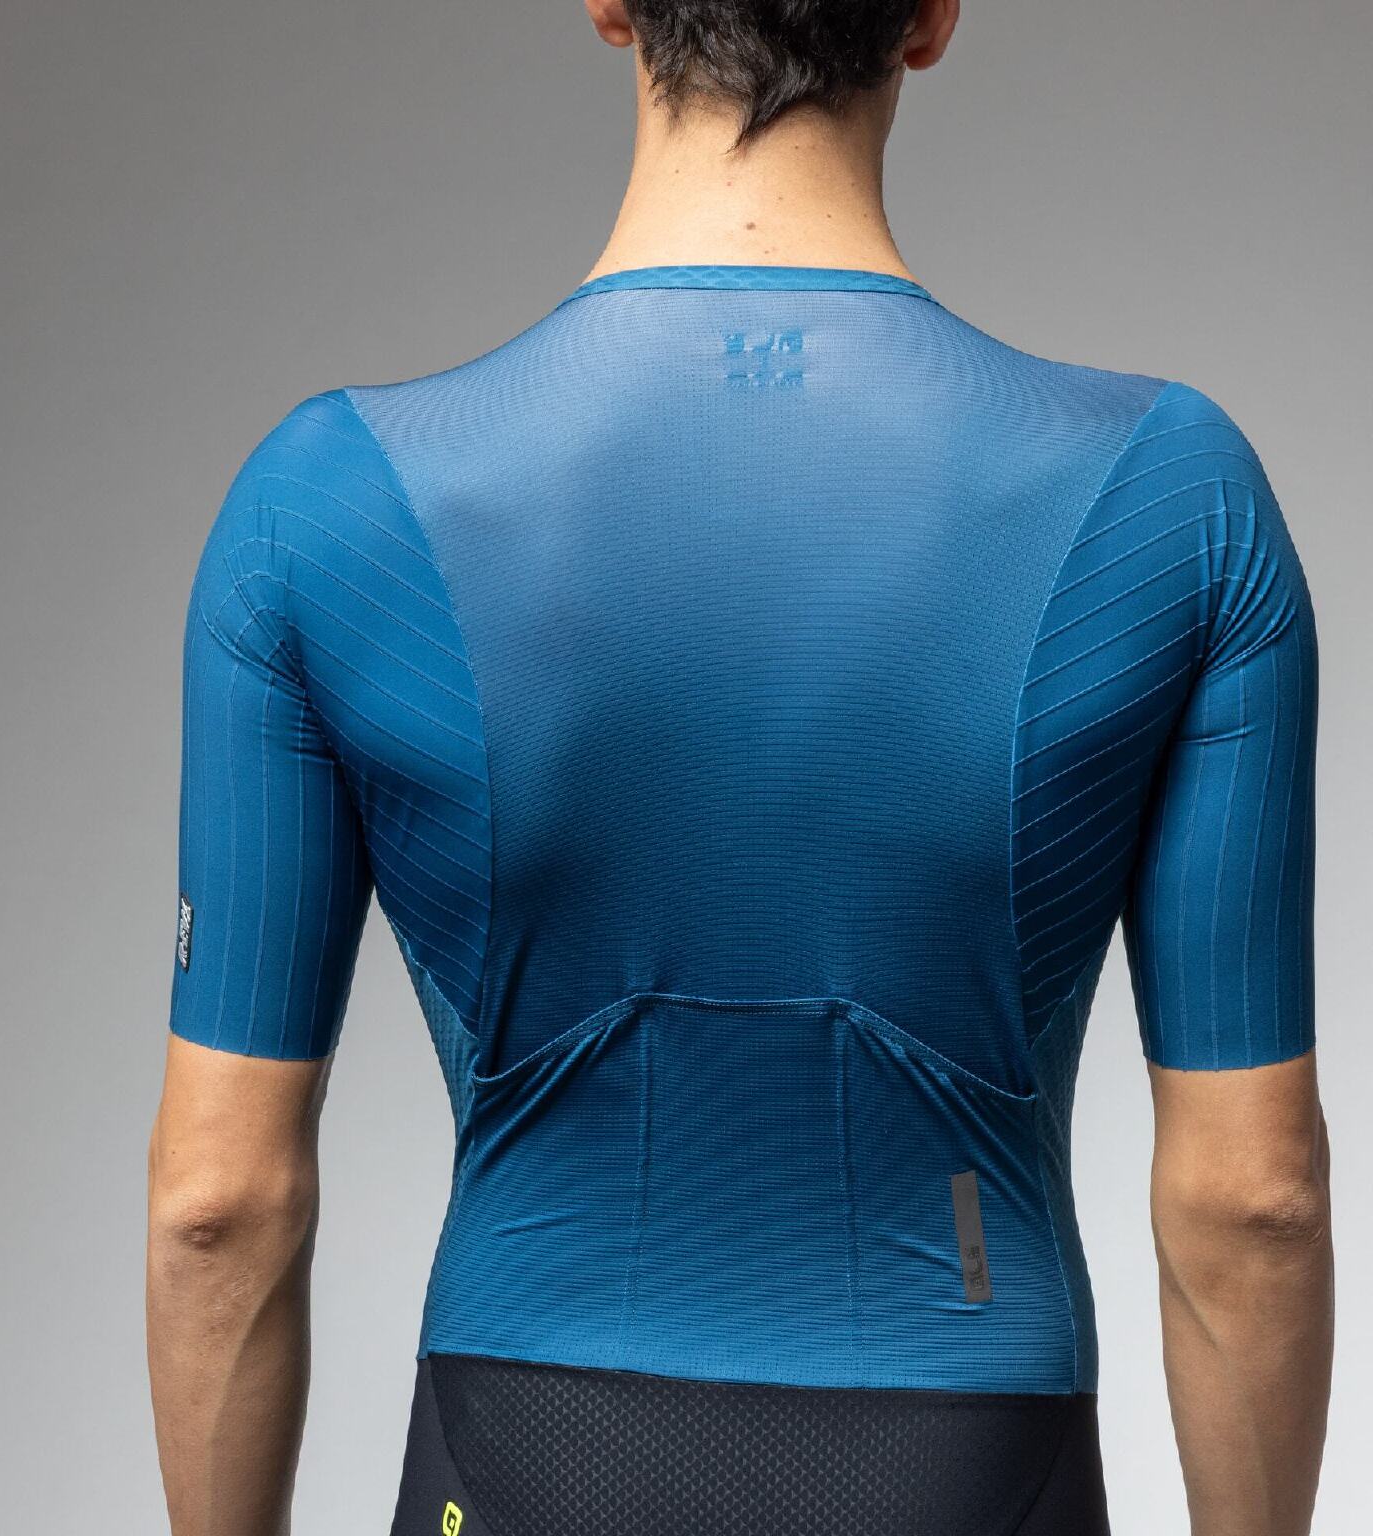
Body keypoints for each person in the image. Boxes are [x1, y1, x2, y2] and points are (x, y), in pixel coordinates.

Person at [145, 3, 1335, 1532]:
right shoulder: (1168, 504)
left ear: (608, 1)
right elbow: (1254, 1204)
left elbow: (219, 1205)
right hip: (975, 1452)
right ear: (932, 17)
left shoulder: (328, 510)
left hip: (525, 1449)